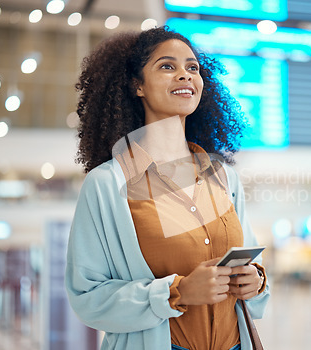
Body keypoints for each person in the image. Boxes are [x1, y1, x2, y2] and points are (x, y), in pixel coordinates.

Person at [65, 26, 270, 350]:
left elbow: (250, 263)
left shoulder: (224, 178)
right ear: (137, 86)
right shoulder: (107, 184)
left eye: (192, 68)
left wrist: (255, 281)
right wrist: (179, 293)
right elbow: (88, 297)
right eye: (167, 66)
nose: (185, 76)